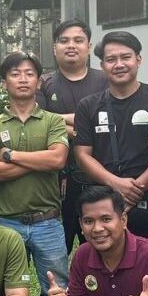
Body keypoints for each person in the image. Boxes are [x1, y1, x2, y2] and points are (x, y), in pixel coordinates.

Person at [0, 50, 70, 296]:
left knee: (58, 290)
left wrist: (12, 156)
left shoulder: (53, 121)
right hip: (6, 223)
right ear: (4, 82)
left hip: (48, 222)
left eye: (29, 74)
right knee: (4, 289)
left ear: (39, 81)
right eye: (15, 74)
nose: (23, 79)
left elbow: (58, 159)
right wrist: (39, 161)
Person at [74, 31, 148, 244]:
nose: (119, 64)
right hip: (103, 203)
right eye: (111, 59)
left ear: (138, 59)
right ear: (102, 65)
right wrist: (116, 184)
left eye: (125, 57)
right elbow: (82, 155)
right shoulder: (88, 106)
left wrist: (135, 189)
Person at [36, 19, 108, 254]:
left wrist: (59, 120)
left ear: (89, 46)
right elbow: (39, 123)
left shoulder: (105, 81)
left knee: (102, 247)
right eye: (64, 40)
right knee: (58, 250)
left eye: (78, 40)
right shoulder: (44, 83)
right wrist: (88, 124)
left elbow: (111, 122)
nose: (71, 45)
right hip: (58, 181)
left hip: (100, 176)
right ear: (54, 47)